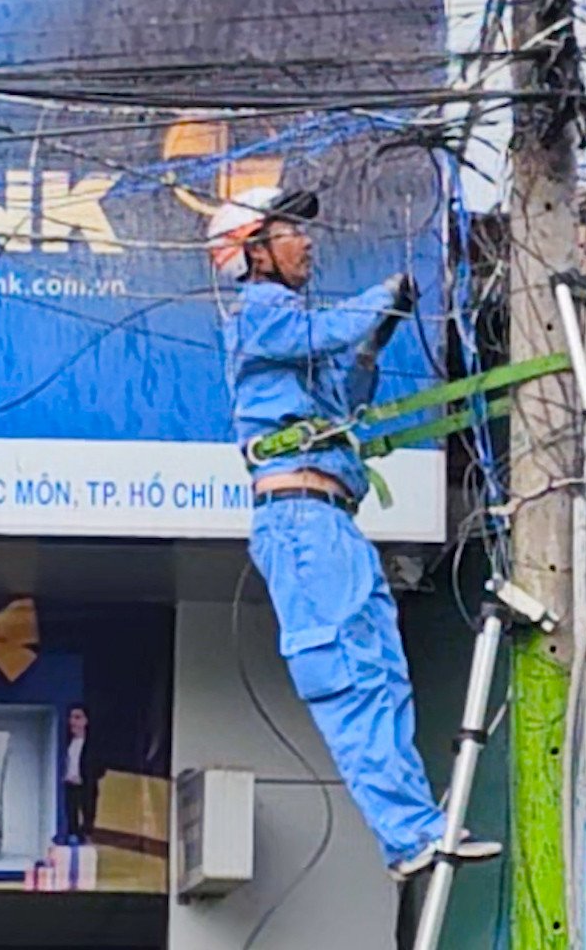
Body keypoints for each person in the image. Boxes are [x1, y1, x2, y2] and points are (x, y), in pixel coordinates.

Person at [208, 185, 500, 881]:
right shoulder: (259, 315)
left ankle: (418, 829)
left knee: (382, 678)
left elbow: (344, 397)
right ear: (254, 253)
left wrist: (375, 338)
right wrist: (380, 298)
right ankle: (406, 836)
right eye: (290, 232)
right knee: (350, 679)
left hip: (330, 523)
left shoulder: (291, 333)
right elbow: (321, 335)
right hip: (302, 524)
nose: (308, 242)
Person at [61, 704, 106, 845]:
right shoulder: (67, 743)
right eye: (71, 718)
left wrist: (89, 777)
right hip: (70, 785)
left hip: (86, 786)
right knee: (71, 817)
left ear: (85, 721)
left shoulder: (93, 745)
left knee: (87, 816)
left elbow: (100, 766)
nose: (73, 721)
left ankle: (87, 840)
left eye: (77, 717)